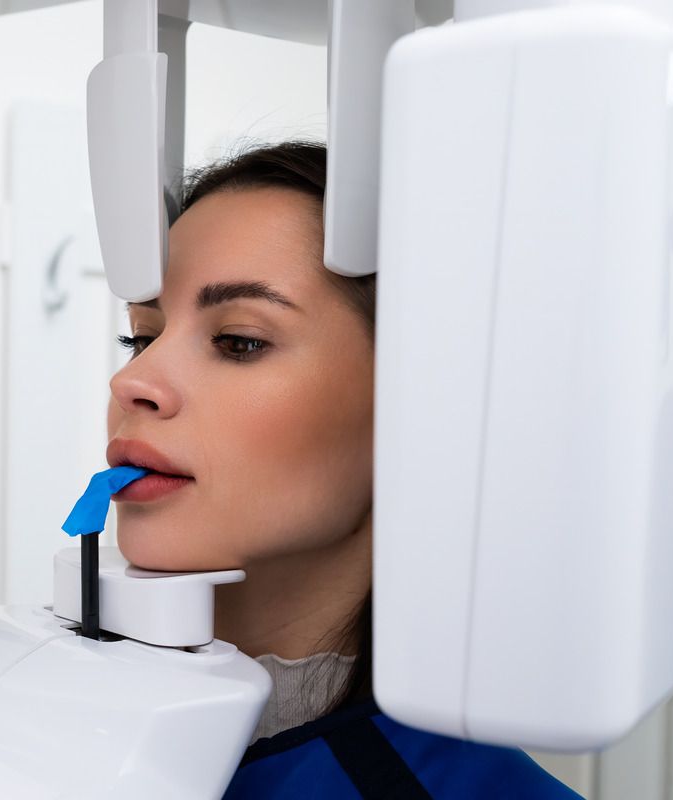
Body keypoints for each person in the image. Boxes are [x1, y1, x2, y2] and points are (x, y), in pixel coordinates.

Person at [105, 141, 582, 799]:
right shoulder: (56, 721)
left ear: (420, 409)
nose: (132, 379)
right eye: (141, 336)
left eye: (240, 341)